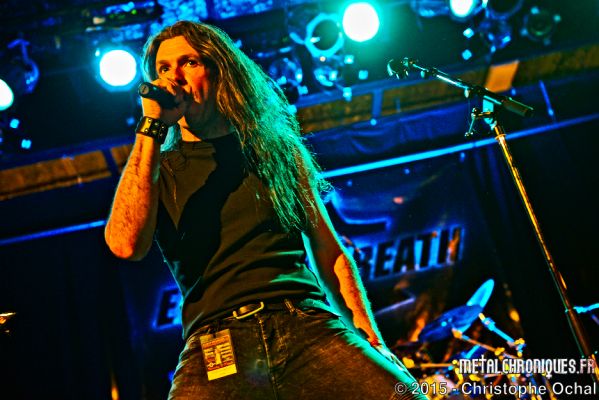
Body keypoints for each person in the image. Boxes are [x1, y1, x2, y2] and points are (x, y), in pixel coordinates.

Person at [105, 20, 427, 400]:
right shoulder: (159, 169)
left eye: (189, 62)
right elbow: (124, 244)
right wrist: (151, 127)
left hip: (305, 323)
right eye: (163, 68)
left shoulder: (276, 152)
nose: (173, 77)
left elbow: (329, 251)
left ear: (220, 71)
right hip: (217, 342)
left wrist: (369, 337)